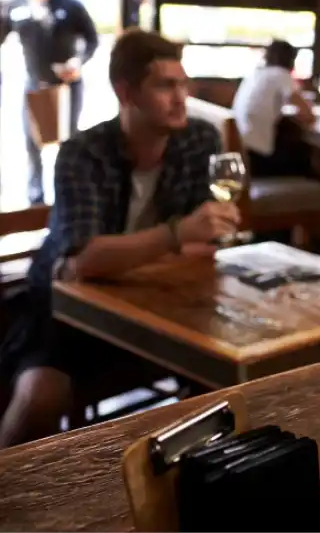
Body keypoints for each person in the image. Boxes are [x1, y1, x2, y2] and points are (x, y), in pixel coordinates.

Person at [0, 29, 241, 448]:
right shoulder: (84, 153)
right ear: (125, 91)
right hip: (66, 313)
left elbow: (209, 242)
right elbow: (83, 262)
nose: (181, 97)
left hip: (160, 305)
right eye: (166, 86)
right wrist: (176, 235)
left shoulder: (199, 141)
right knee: (39, 399)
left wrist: (132, 253)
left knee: (229, 379)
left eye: (184, 85)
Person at [0, 0, 99, 204]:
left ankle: (68, 194)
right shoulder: (19, 6)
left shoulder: (69, 5)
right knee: (31, 141)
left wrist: (79, 62)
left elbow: (92, 39)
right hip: (36, 83)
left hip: (66, 86)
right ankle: (36, 199)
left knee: (69, 142)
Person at [231, 40, 316, 178]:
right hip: (258, 158)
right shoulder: (281, 74)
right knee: (305, 155)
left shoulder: (256, 73)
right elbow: (308, 113)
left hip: (243, 149)